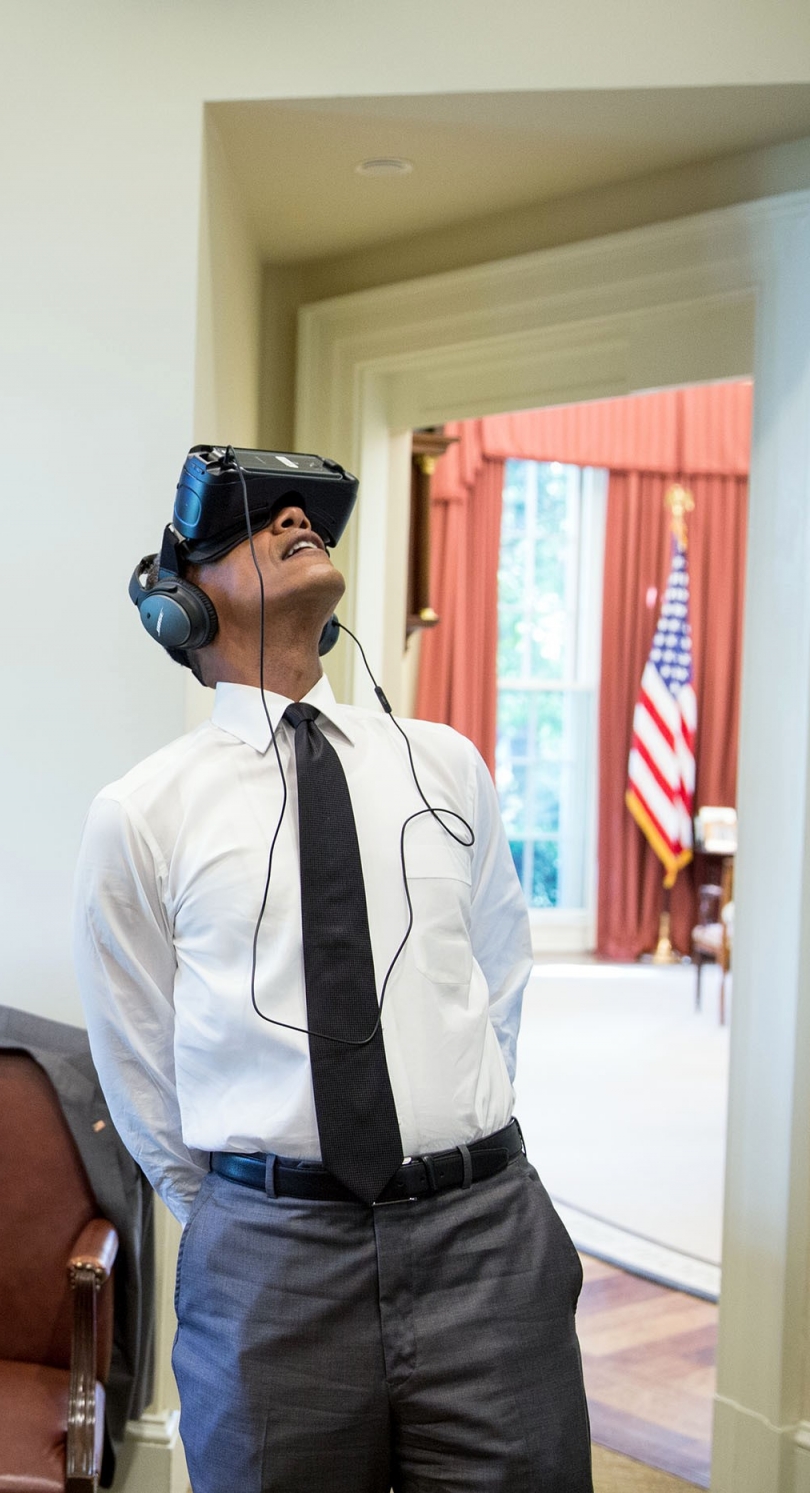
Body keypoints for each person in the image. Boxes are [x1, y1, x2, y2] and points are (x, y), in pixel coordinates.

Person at [74, 447, 590, 1493]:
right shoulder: (141, 812)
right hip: (270, 1267)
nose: (296, 521)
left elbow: (496, 977)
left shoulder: (442, 763)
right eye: (253, 523)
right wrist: (246, 1210)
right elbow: (138, 1070)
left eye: (308, 514)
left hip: (482, 1240)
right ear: (176, 603)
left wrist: (448, 1140)